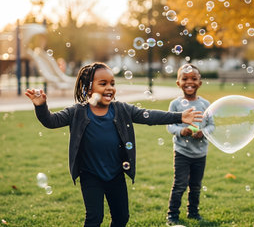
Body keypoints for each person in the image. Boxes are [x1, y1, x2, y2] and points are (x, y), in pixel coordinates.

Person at [25, 62, 202, 227]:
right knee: (94, 217)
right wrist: (41, 106)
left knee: (122, 217)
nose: (110, 88)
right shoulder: (77, 112)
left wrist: (179, 116)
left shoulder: (122, 109)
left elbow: (149, 115)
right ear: (88, 89)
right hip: (90, 175)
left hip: (115, 174)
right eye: (103, 83)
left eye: (112, 83)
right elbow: (51, 121)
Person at [166, 64, 214, 225]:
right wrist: (182, 131)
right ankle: (172, 215)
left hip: (200, 154)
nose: (189, 82)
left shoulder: (206, 104)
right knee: (179, 184)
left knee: (195, 185)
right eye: (185, 78)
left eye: (194, 78)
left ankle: (193, 212)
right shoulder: (175, 104)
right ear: (178, 83)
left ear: (200, 83)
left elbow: (212, 125)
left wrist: (204, 132)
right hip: (182, 152)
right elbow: (170, 125)